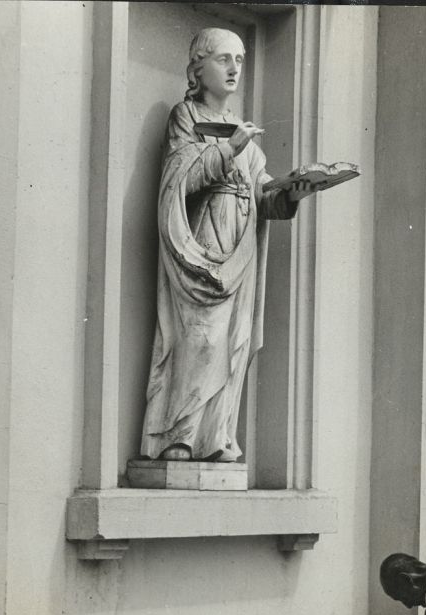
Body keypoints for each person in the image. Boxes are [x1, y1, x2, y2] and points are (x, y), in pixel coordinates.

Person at [141, 28, 314, 462]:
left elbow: (260, 194)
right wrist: (227, 150)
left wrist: (291, 193)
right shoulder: (186, 116)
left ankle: (215, 438)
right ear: (198, 69)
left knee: (234, 343)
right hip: (203, 244)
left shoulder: (242, 129)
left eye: (239, 59)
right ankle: (177, 435)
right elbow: (179, 180)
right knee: (202, 339)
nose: (235, 68)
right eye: (223, 59)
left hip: (241, 247)